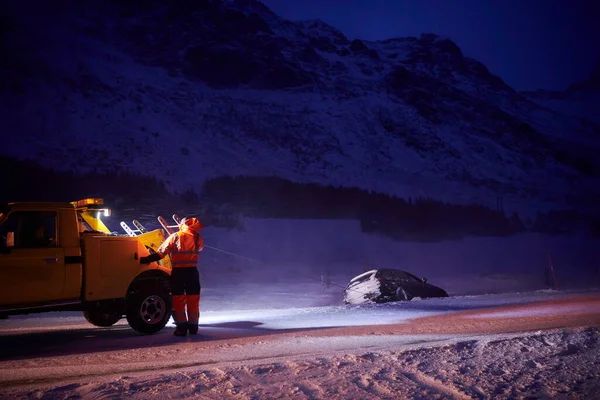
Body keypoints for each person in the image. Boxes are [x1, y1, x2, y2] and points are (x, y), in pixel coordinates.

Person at [140, 217, 204, 336]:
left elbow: (161, 253)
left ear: (181, 224)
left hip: (179, 273)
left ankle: (182, 327)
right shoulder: (197, 237)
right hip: (192, 273)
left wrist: (146, 259)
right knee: (193, 300)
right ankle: (193, 326)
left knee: (178, 300)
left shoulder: (175, 236)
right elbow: (200, 248)